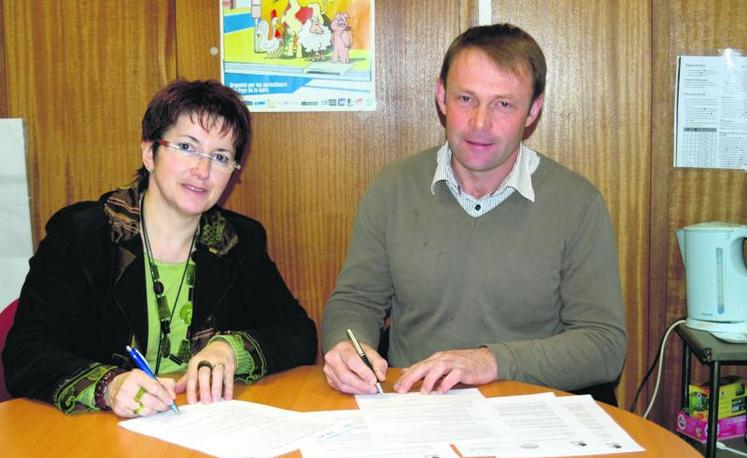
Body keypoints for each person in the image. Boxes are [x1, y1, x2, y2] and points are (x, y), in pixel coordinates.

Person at [321, 24, 627, 399]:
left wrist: (491, 361)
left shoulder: (578, 204)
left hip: (532, 415)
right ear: (441, 96)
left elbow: (604, 346)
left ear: (533, 110)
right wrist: (346, 347)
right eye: (466, 99)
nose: (481, 123)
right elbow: (356, 302)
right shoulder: (393, 188)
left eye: (503, 104)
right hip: (416, 409)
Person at [3, 79, 317, 417]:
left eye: (221, 157)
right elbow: (26, 352)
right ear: (149, 153)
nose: (203, 170)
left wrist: (229, 350)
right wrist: (110, 386)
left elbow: (297, 333)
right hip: (99, 433)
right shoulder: (82, 235)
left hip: (201, 429)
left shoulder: (237, 240)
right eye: (186, 147)